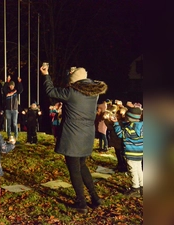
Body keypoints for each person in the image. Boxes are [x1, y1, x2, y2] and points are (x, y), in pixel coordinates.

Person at [40, 65, 108, 213]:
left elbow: (51, 91)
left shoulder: (72, 92)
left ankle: (81, 203)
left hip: (72, 136)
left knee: (74, 169)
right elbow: (77, 82)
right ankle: (95, 198)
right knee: (82, 166)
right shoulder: (94, 93)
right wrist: (72, 75)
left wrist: (46, 75)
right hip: (87, 135)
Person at [111, 104, 143, 197]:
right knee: (139, 169)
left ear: (130, 118)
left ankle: (135, 188)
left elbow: (120, 134)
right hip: (139, 152)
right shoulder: (140, 126)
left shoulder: (129, 130)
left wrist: (116, 123)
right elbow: (129, 125)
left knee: (132, 170)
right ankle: (142, 187)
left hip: (131, 153)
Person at [3, 75, 23, 141]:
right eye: (10, 85)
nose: (11, 86)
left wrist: (19, 82)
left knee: (14, 123)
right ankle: (9, 135)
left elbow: (21, 90)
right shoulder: (7, 92)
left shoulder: (16, 92)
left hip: (14, 110)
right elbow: (4, 89)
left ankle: (16, 136)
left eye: (12, 85)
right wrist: (7, 81)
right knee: (8, 124)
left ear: (14, 86)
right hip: (8, 110)